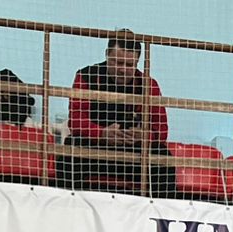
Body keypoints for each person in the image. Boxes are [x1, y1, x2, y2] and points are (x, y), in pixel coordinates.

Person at [66, 31, 173, 196]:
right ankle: (68, 203)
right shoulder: (86, 76)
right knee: (70, 149)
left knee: (163, 156)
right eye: (117, 62)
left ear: (137, 62)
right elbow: (75, 122)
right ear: (107, 54)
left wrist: (144, 136)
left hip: (134, 152)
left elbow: (162, 131)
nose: (123, 69)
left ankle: (160, 208)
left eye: (129, 65)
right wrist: (102, 133)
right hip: (96, 148)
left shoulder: (149, 85)